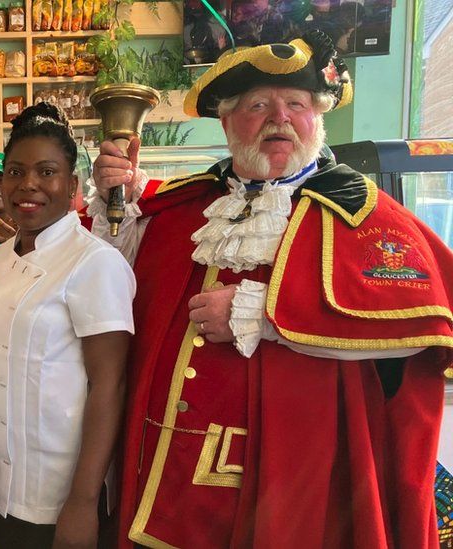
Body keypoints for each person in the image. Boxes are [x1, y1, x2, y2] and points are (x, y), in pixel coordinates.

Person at [89, 31, 453, 548]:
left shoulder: (363, 214)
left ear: (317, 117)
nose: (279, 118)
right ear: (227, 121)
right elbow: (116, 278)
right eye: (258, 105)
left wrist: (267, 316)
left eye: (297, 105)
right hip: (166, 469)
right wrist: (115, 207)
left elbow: (420, 330)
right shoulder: (187, 207)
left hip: (296, 476)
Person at [0, 103, 134, 548]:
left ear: (72, 186)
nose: (29, 186)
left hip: (57, 495)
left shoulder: (94, 262)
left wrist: (81, 503)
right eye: (16, 172)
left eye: (46, 172)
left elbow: (110, 385)